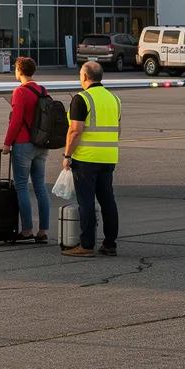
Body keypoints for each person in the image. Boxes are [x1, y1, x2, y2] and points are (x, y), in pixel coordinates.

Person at [62, 61, 121, 258]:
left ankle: (86, 245)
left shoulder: (82, 99)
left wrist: (67, 155)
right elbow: (117, 130)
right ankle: (110, 244)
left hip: (86, 159)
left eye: (80, 74)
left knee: (86, 202)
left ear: (86, 77)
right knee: (108, 201)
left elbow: (75, 130)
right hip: (109, 157)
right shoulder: (114, 99)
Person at [4, 56, 50, 243]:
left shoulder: (20, 92)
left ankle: (27, 229)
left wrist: (7, 143)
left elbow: (16, 120)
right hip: (41, 144)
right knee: (40, 187)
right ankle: (44, 231)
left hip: (23, 143)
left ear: (19, 71)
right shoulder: (42, 90)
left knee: (22, 186)